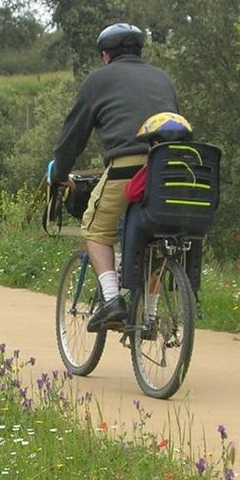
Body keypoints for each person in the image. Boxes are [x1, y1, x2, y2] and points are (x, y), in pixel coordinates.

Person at [48, 22, 180, 331]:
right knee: (156, 241)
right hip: (171, 168)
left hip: (128, 168)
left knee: (95, 229)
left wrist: (60, 174)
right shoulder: (163, 79)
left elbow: (73, 136)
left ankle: (112, 301)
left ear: (106, 55)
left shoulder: (98, 80)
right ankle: (149, 316)